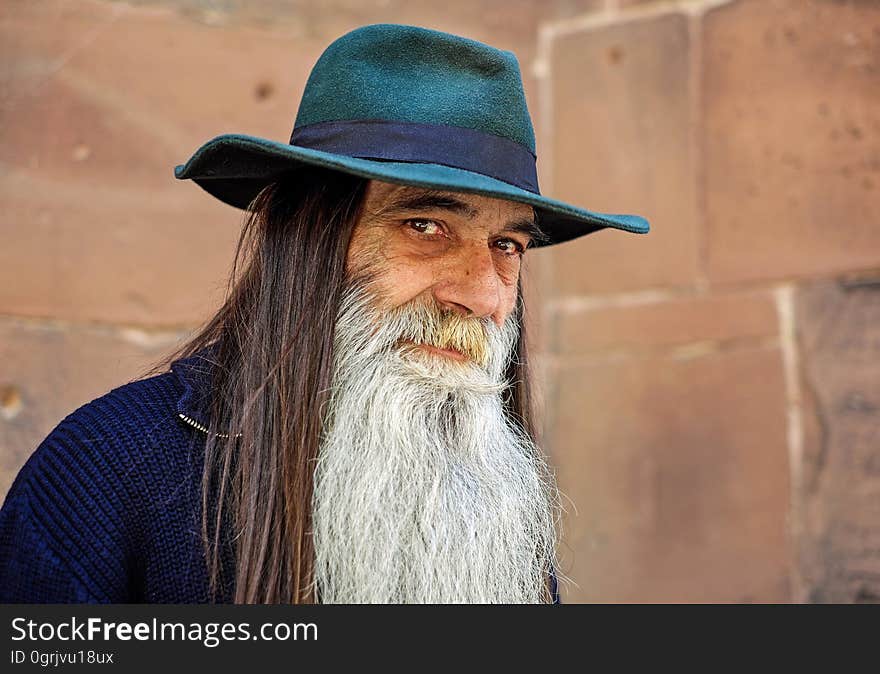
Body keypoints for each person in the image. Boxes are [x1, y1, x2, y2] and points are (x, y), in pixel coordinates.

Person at [0, 23, 649, 603]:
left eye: (507, 245)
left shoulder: (493, 497)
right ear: (310, 239)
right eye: (424, 226)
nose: (482, 296)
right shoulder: (111, 468)